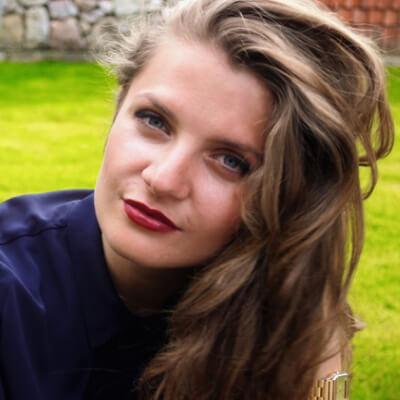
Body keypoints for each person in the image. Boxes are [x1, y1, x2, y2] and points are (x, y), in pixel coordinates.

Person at [0, 0, 394, 399]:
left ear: (287, 192)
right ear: (119, 105)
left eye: (230, 161)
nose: (163, 179)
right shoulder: (10, 291)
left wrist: (320, 355)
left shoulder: (273, 312)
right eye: (154, 120)